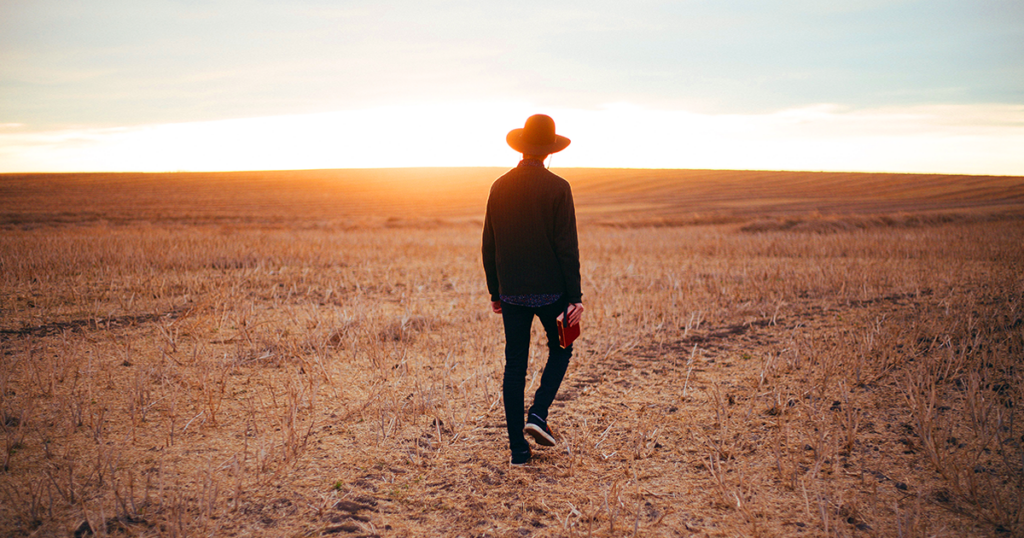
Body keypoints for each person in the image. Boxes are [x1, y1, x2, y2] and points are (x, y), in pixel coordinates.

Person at [481, 114, 584, 466]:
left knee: (515, 365)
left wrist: (495, 291)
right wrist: (575, 298)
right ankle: (538, 414)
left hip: (511, 293)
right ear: (549, 150)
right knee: (563, 349)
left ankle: (518, 451)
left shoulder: (499, 186)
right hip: (553, 292)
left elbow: (489, 245)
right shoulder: (559, 188)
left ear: (522, 148)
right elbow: (566, 247)